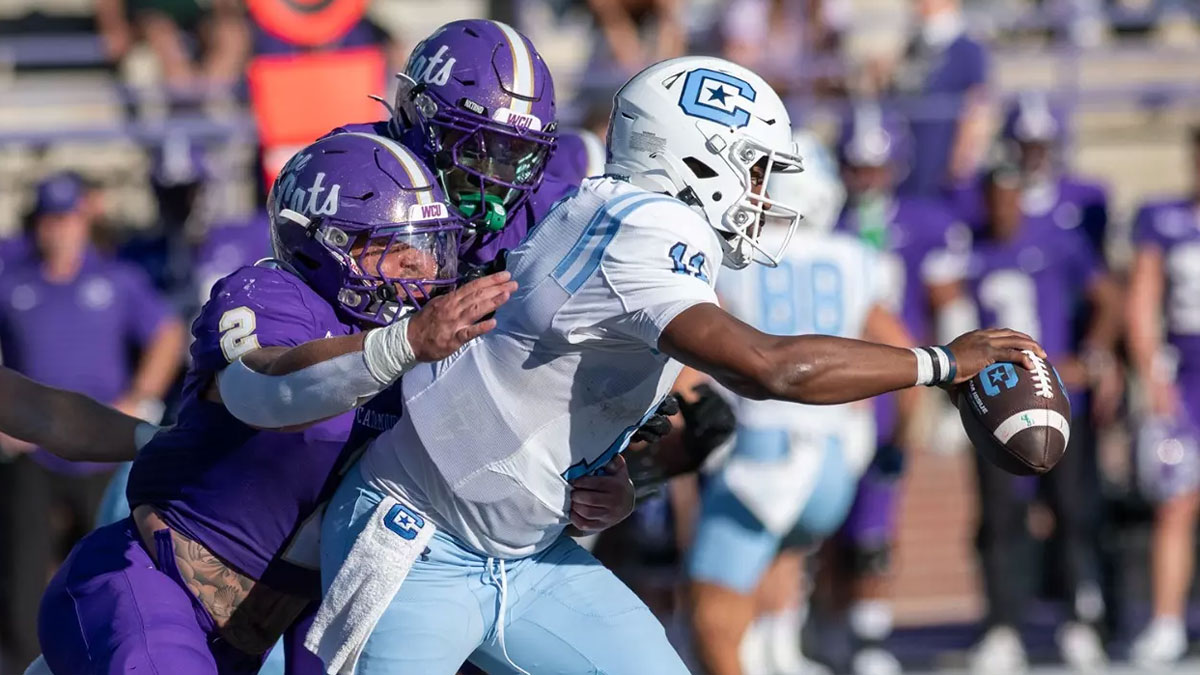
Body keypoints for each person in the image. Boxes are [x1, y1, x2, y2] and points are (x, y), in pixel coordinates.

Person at [311, 55, 1045, 675]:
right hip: (419, 543)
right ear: (695, 158)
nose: (762, 193)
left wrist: (609, 472)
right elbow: (770, 368)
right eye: (753, 170)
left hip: (524, 556)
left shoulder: (616, 211)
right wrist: (941, 362)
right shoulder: (648, 230)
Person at [686, 128, 916, 675]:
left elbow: (688, 353)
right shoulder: (857, 258)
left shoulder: (735, 258)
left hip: (760, 455)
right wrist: (895, 445)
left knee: (712, 620)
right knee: (781, 560)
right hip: (834, 462)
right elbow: (903, 355)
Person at [932, 164, 1120, 674]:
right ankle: (1001, 626)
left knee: (1073, 514)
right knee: (997, 519)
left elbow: (1108, 299)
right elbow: (942, 297)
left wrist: (1094, 356)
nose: (1004, 209)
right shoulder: (968, 247)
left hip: (1058, 399)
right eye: (995, 199)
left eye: (1011, 198)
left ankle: (1080, 620)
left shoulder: (1057, 240)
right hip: (994, 403)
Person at [0, 171, 185, 674]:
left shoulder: (116, 279)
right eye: (48, 220)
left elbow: (168, 333)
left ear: (84, 220)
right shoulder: (12, 280)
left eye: (67, 218)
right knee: (22, 574)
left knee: (115, 571)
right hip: (32, 450)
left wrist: (139, 399)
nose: (58, 231)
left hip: (105, 446)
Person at [1125, 125, 1200, 668]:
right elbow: (1143, 302)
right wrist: (1154, 377)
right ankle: (1167, 620)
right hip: (1188, 373)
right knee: (1176, 501)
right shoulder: (1165, 219)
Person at [890, 0, 990, 197]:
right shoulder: (914, 48)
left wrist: (961, 160)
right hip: (913, 162)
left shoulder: (967, 49)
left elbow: (977, 108)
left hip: (944, 163)